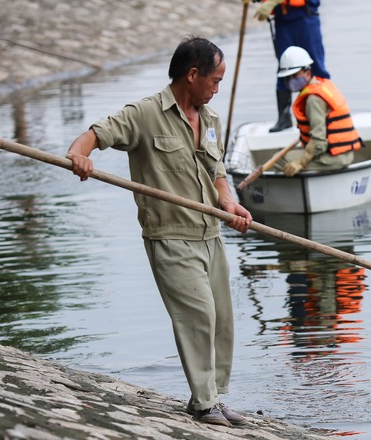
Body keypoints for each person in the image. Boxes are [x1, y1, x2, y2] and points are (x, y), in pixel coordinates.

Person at [66, 36, 253, 428]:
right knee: (197, 315)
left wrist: (229, 203)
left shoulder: (212, 120)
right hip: (170, 236)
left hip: (210, 235)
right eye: (215, 80)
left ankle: (211, 397)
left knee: (221, 319)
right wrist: (79, 154)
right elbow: (96, 134)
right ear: (193, 74)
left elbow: (217, 173)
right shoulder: (146, 113)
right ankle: (205, 405)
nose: (217, 88)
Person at [274, 46, 363, 177]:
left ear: (307, 72)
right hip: (340, 153)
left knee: (278, 160)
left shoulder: (313, 99)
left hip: (334, 157)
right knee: (282, 155)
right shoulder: (321, 85)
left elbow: (319, 141)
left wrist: (300, 163)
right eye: (287, 78)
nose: (291, 81)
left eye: (295, 75)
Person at [253, 0, 330, 132]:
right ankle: (284, 117)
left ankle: (324, 114)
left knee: (315, 67)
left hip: (305, 17)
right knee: (285, 68)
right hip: (282, 21)